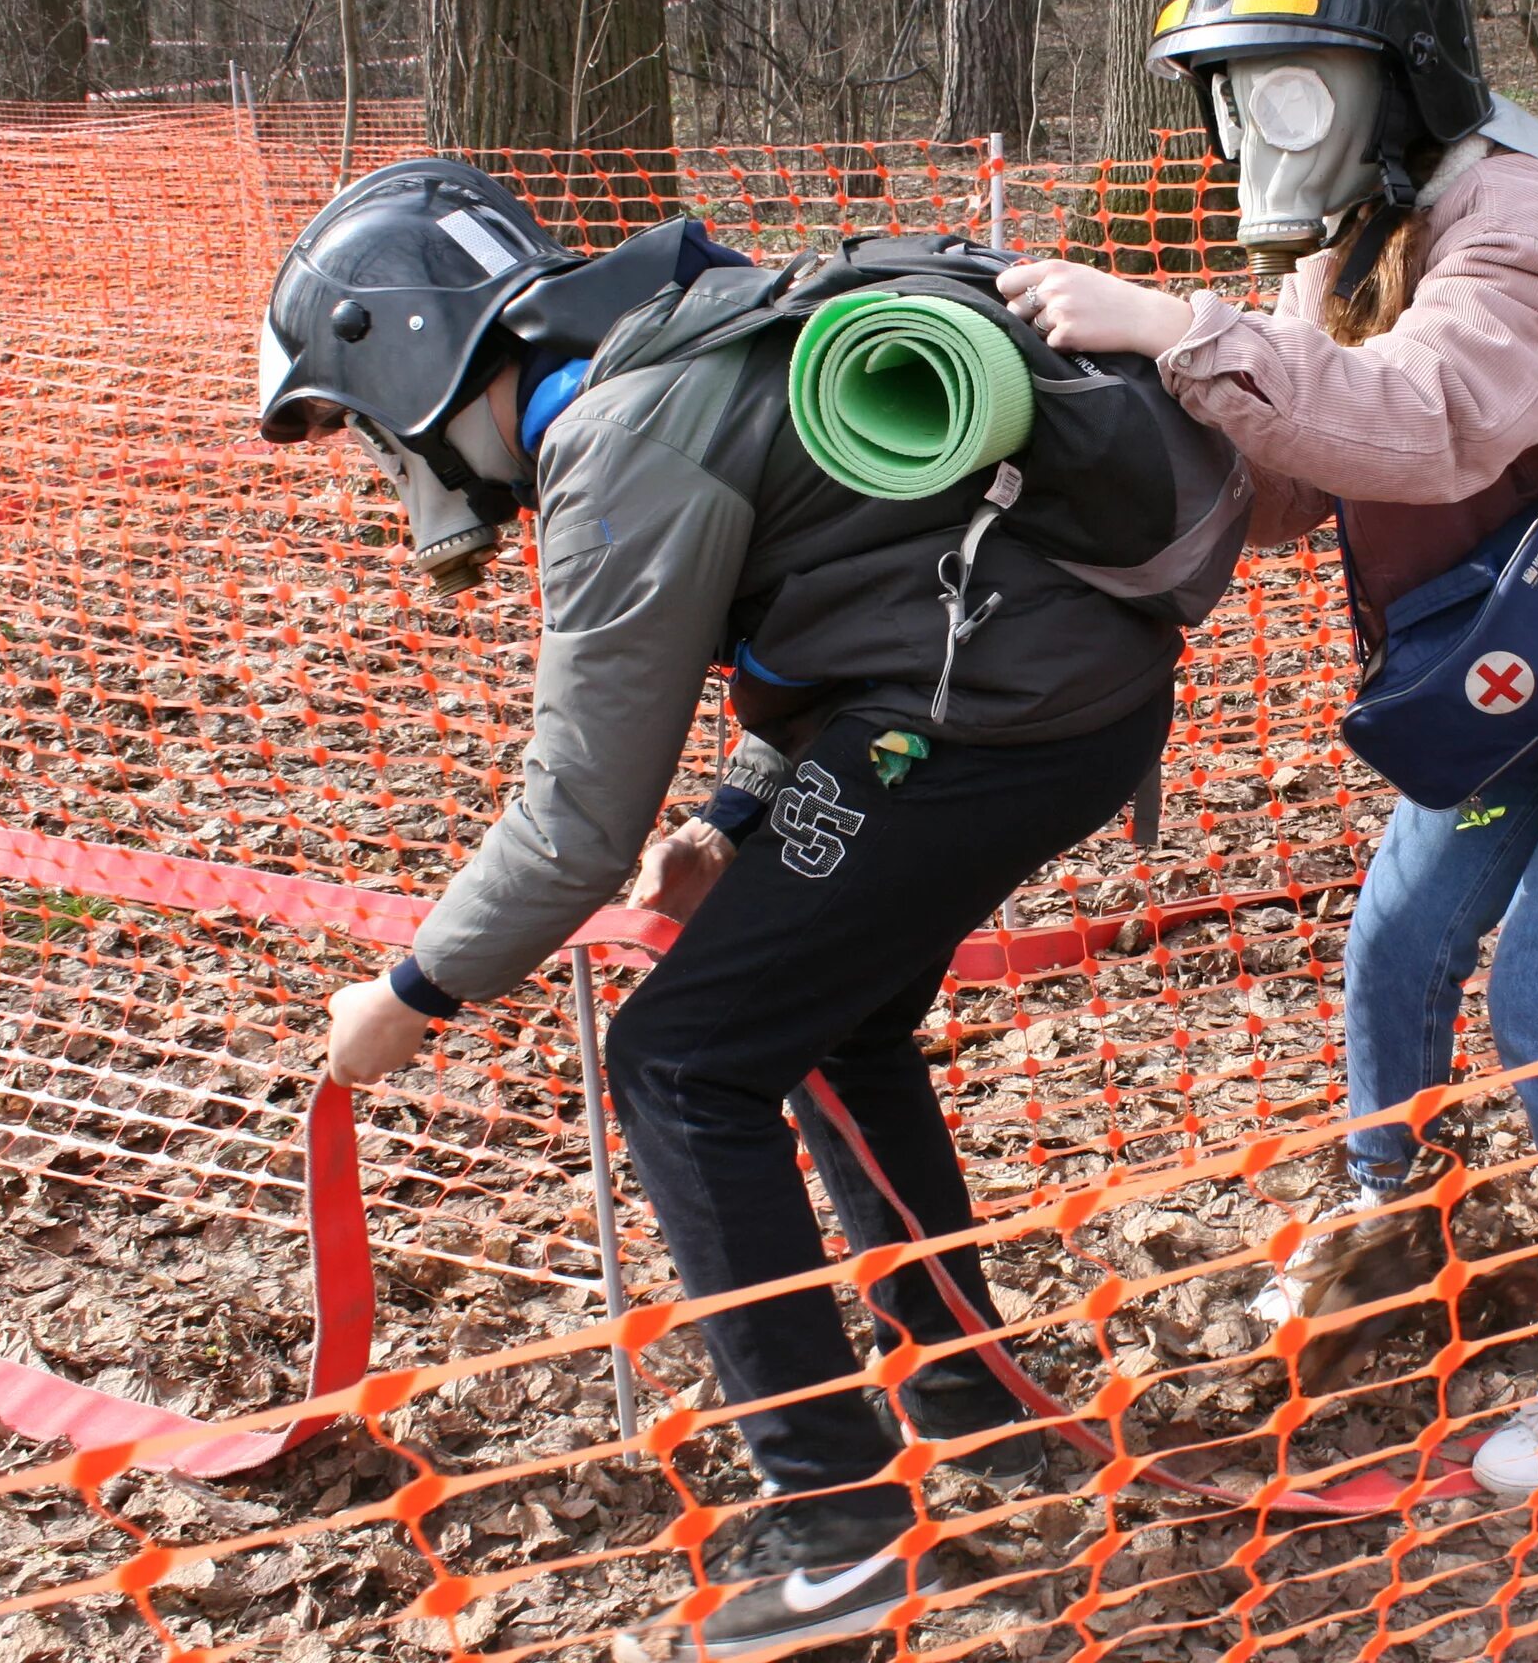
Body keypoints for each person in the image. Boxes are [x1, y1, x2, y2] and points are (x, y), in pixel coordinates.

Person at [257, 161, 1190, 1658]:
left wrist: (412, 994)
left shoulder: (616, 436)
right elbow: (852, 579)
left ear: (412, 365)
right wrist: (735, 819)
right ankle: (963, 1390)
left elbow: (570, 829)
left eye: (365, 430)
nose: (383, 464)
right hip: (1034, 701)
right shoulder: (678, 343)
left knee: (681, 1063)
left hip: (978, 724)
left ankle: (834, 1532)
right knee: (830, 1019)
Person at [999, 0, 1538, 1496]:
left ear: (1397, 78)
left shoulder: (1526, 215)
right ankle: (1394, 1226)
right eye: (1233, 100)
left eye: (1285, 90)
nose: (1252, 135)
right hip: (1528, 641)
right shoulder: (1346, 230)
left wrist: (1179, 326)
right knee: (1402, 933)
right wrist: (1086, 446)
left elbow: (1431, 419)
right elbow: (1308, 467)